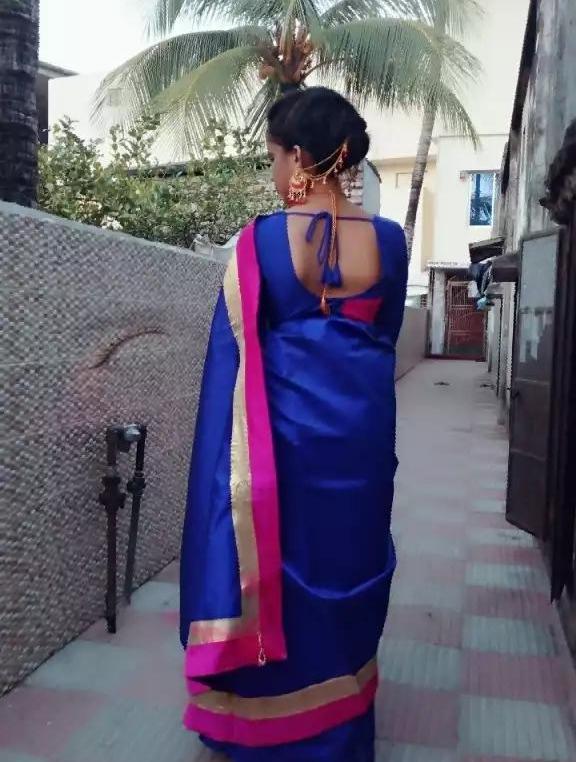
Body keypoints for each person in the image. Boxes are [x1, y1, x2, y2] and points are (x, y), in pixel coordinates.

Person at [180, 86, 408, 762]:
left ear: (301, 157)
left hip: (280, 445)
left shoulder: (260, 242)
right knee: (351, 559)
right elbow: (385, 337)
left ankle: (267, 729)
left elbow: (234, 349)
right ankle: (340, 726)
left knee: (278, 569)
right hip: (361, 442)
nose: (274, 173)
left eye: (274, 157)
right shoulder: (390, 243)